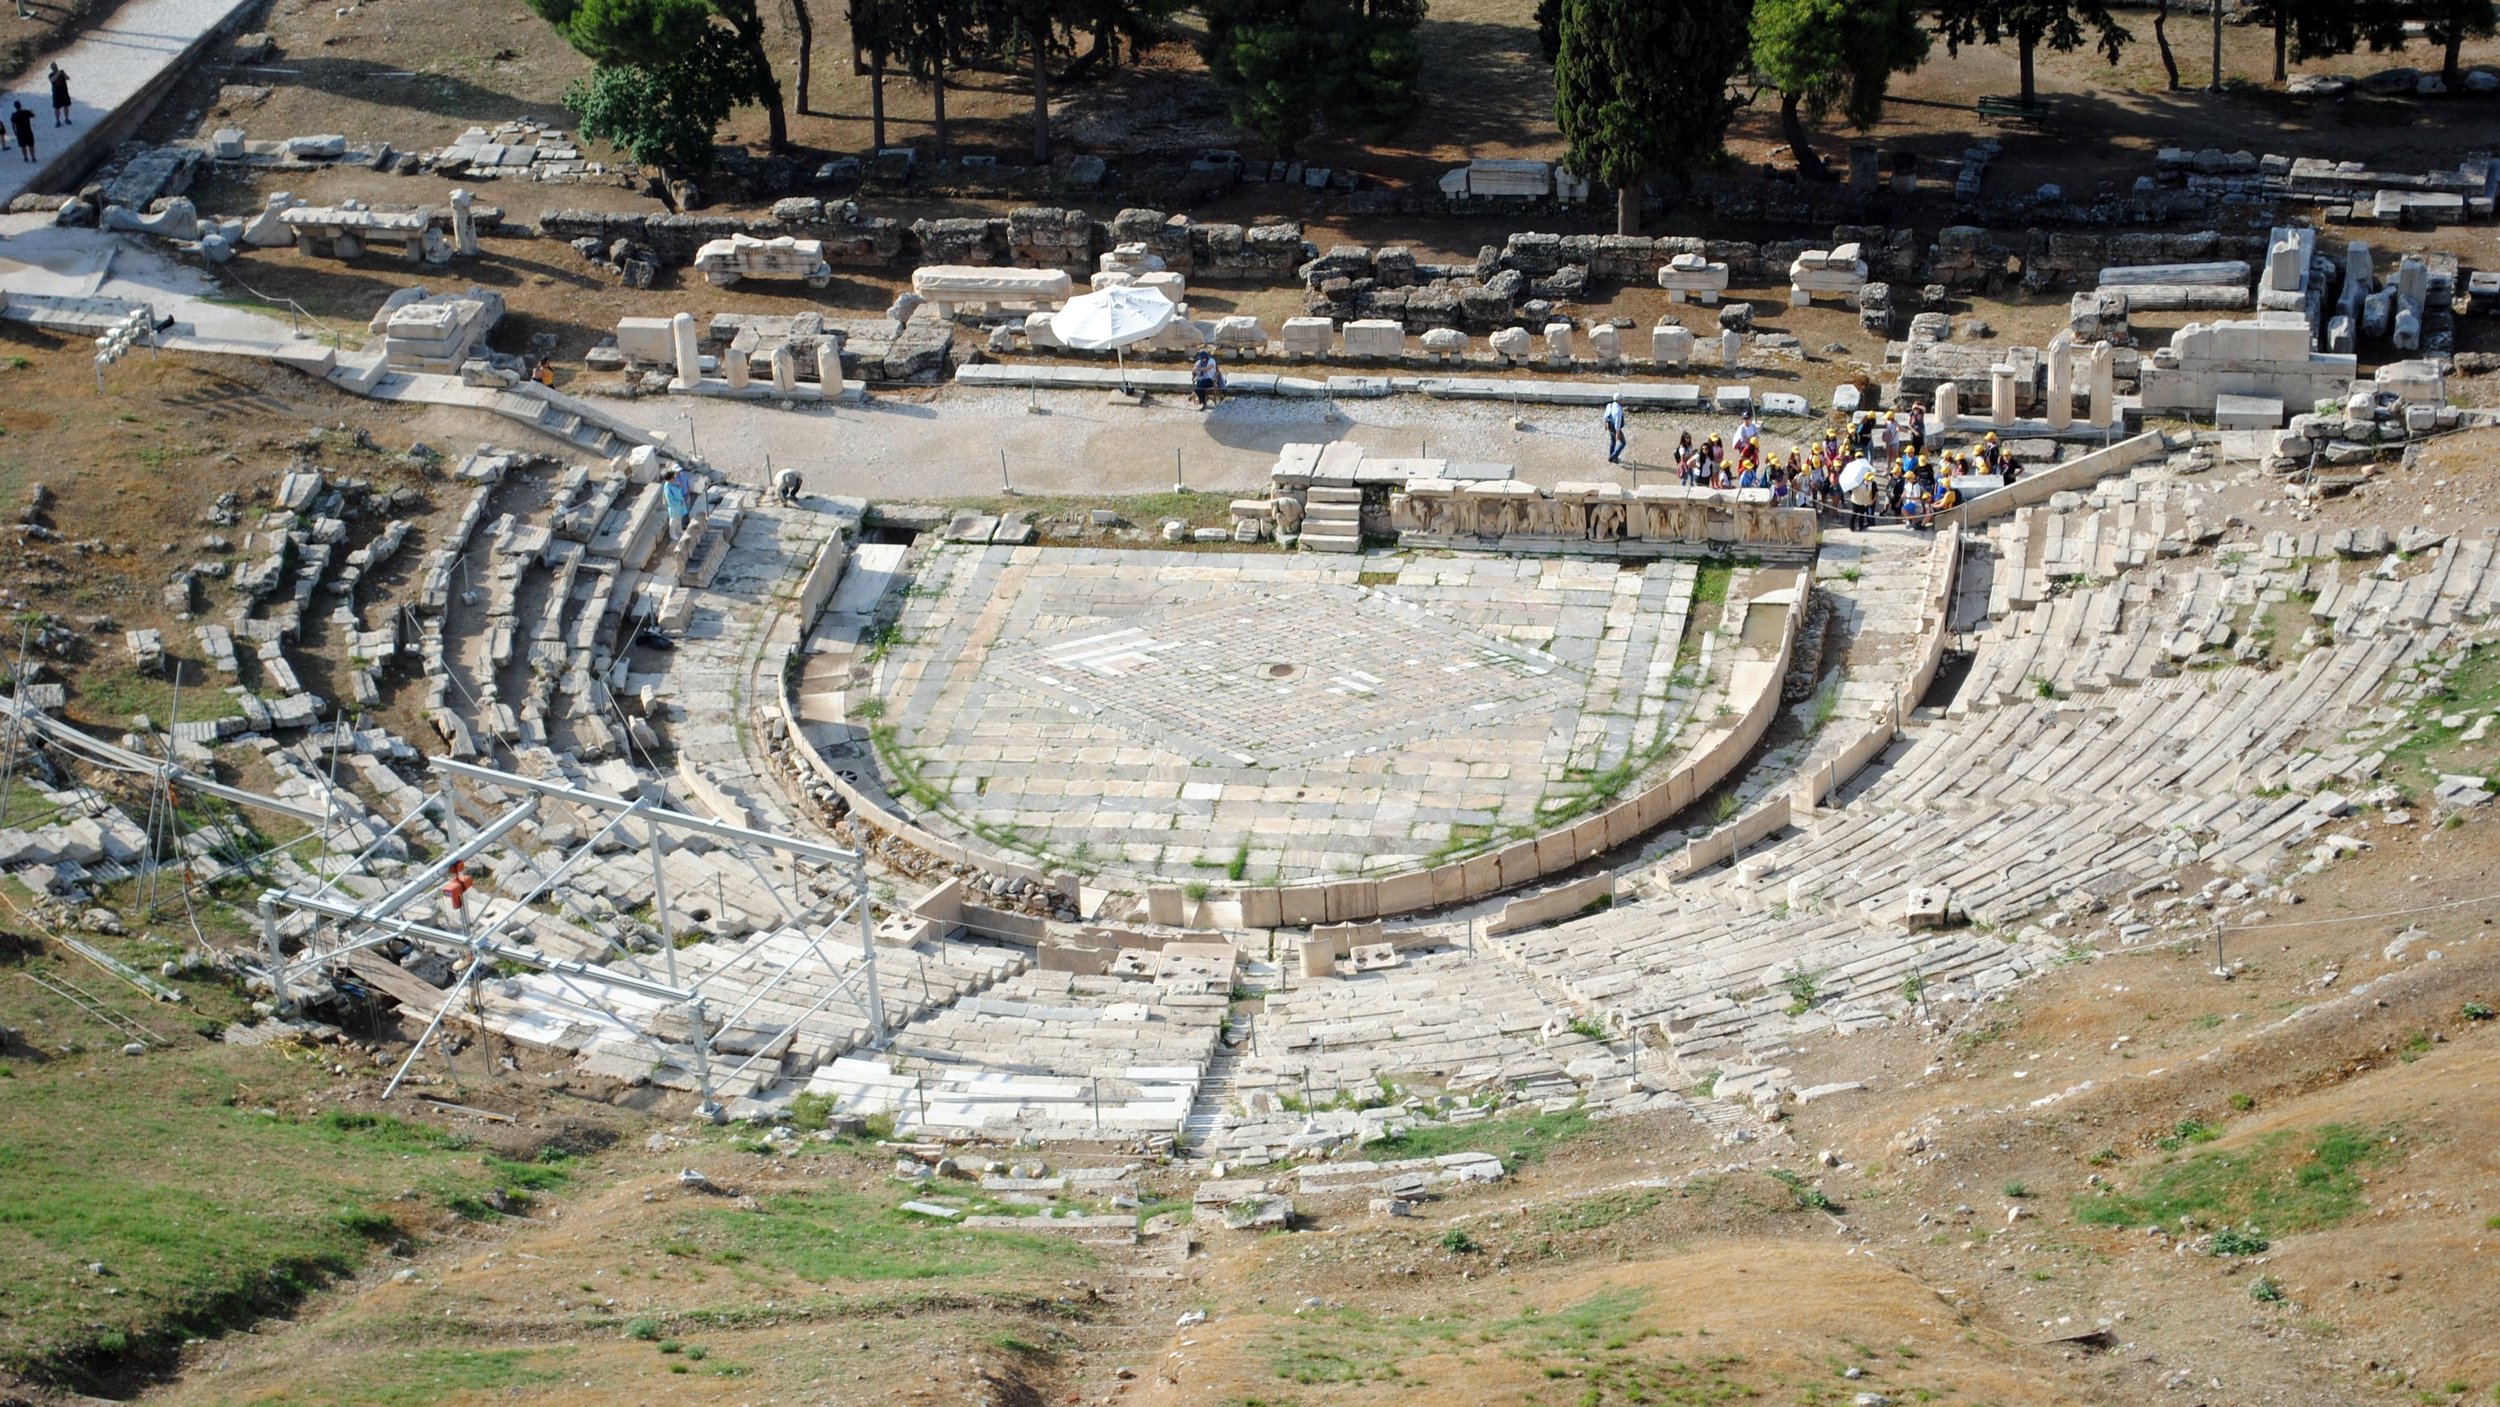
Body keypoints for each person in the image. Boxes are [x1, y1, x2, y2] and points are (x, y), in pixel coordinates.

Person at [662, 467, 691, 542]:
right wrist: (679, 502)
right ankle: (672, 534)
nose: (674, 479)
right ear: (669, 479)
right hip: (674, 507)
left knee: (679, 518)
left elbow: (677, 490)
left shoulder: (673, 483)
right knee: (673, 521)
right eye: (673, 478)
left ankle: (679, 529)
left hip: (679, 505)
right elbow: (670, 501)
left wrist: (678, 486)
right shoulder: (667, 489)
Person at [1602, 397, 1627, 463]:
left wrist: (1605, 425)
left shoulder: (1609, 405)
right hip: (1615, 428)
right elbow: (1617, 422)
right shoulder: (1618, 410)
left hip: (1609, 426)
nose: (1623, 401)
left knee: (1613, 441)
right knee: (1623, 443)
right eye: (1622, 400)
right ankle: (1613, 456)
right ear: (1619, 400)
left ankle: (1613, 457)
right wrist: (1618, 432)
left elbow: (1605, 416)